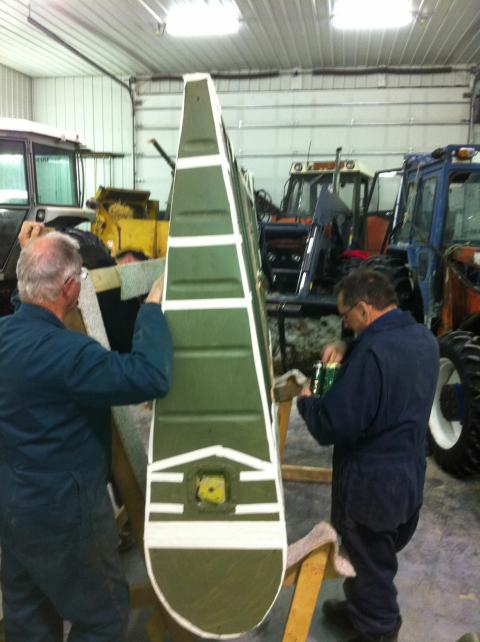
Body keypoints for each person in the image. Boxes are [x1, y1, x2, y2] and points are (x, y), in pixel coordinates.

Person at [0, 222, 173, 642]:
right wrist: (152, 308)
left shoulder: (5, 335)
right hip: (66, 514)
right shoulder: (72, 355)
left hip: (13, 506)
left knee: (29, 619)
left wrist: (31, 259)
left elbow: (28, 312)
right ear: (70, 288)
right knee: (102, 619)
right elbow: (150, 376)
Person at [297, 268, 439, 642]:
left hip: (370, 485)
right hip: (408, 478)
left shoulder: (372, 353)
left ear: (363, 308)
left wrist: (308, 401)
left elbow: (332, 424)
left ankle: (378, 629)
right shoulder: (424, 339)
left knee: (368, 560)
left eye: (346, 316)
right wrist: (349, 346)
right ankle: (360, 611)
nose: (345, 324)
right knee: (374, 553)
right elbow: (384, 364)